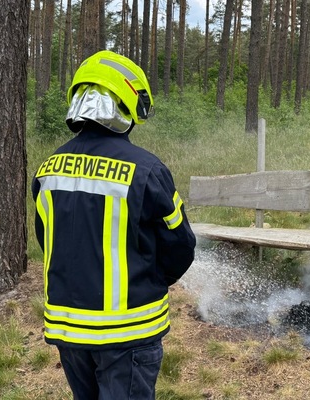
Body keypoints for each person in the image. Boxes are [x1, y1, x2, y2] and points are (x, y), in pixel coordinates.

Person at [31, 50, 196, 400]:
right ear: (126, 106)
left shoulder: (48, 171)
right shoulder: (146, 170)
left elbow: (49, 242)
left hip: (69, 329)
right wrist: (150, 278)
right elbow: (181, 246)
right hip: (128, 332)